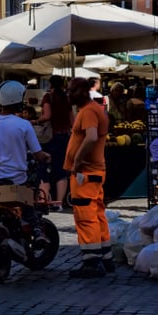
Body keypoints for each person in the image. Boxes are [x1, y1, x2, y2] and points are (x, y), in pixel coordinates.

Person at [0, 80, 50, 252]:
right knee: (29, 196)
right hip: (15, 180)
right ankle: (37, 230)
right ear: (18, 99)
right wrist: (47, 157)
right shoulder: (23, 124)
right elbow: (38, 154)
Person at [65, 76, 113, 278]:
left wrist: (77, 161)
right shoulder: (94, 110)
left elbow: (91, 137)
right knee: (97, 212)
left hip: (86, 172)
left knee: (86, 216)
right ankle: (105, 257)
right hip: (94, 171)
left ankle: (91, 262)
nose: (68, 94)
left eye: (71, 91)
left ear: (82, 92)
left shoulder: (89, 112)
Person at [36, 75, 73, 209]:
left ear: (50, 84)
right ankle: (59, 203)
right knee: (61, 170)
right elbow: (72, 121)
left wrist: (36, 121)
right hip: (64, 137)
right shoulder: (67, 98)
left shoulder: (48, 97)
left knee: (44, 169)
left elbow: (47, 116)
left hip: (51, 138)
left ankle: (43, 201)